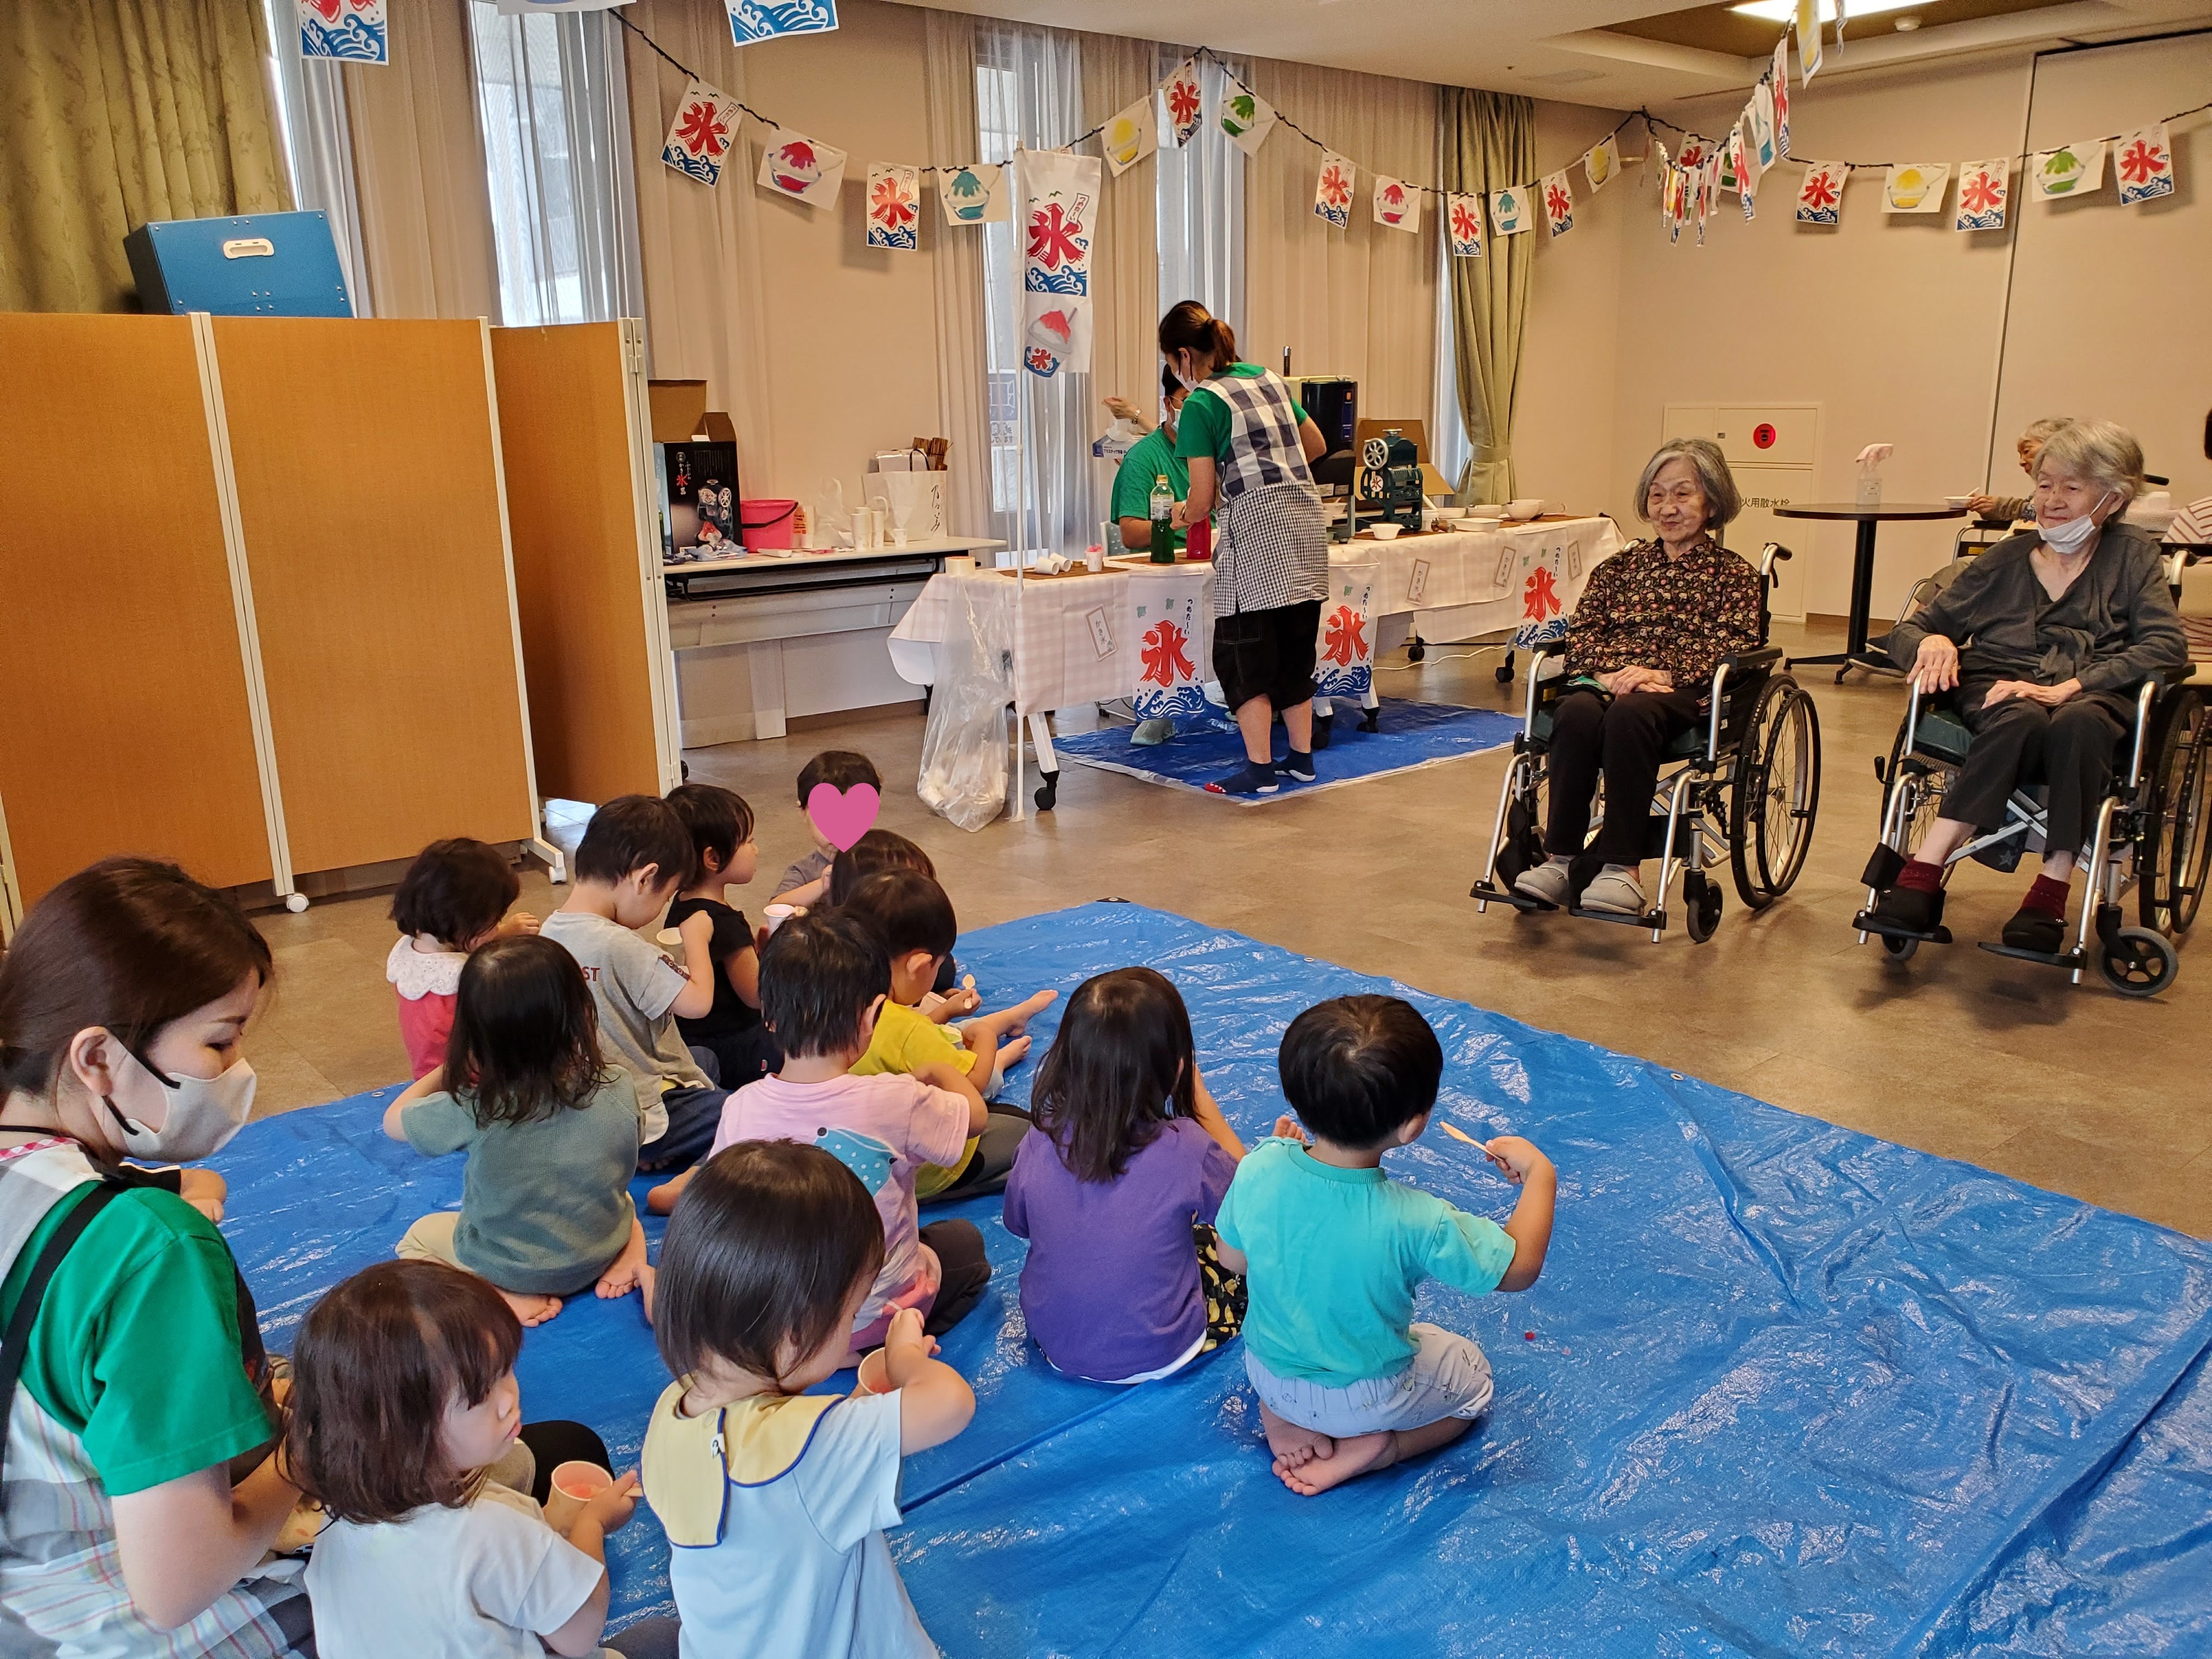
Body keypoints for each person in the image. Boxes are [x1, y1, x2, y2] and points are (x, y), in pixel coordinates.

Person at [0, 856, 309, 1652]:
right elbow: (178, 1585)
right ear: (96, 1057)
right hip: (106, 1614)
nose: (237, 1074)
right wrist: (312, 1455)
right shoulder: (148, 1247)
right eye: (220, 1042)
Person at [1214, 995, 1556, 1497]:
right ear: (1414, 1125)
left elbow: (1232, 1260)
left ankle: (1284, 1420)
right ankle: (1382, 1449)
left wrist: (1272, 1164)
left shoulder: (1259, 1165)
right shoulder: (1419, 1219)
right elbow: (1520, 1266)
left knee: (1298, 1360)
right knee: (1473, 1377)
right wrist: (1540, 1177)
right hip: (1367, 1400)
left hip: (1269, 1372)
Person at [642, 1141, 973, 1659]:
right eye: (853, 1311)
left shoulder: (672, 1409)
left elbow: (795, 1487)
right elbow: (952, 1403)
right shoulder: (811, 1450)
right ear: (796, 1334)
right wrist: (908, 1358)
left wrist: (866, 1398)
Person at [1865, 420, 2188, 951]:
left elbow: (2165, 646)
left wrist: (2072, 687)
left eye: (2071, 486)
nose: (2052, 501)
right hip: (1996, 686)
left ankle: (2049, 893)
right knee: (2016, 711)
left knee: (2080, 723)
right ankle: (1923, 874)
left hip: (2090, 693)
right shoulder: (2004, 561)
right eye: (2044, 485)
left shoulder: (2132, 557)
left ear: (2113, 498)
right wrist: (1933, 644)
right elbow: (1912, 629)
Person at [646, 913, 991, 1359]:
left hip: (782, 1323)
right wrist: (939, 1071)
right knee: (966, 1244)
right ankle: (888, 1342)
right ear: (872, 1017)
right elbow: (977, 1118)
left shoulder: (740, 1107)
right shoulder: (897, 1098)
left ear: (768, 1015)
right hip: (876, 1316)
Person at [290, 1260, 674, 1659]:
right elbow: (579, 1637)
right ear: (409, 1433)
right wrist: (593, 1523)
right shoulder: (495, 1531)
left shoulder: (334, 1525)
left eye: (505, 1370)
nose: (509, 1400)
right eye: (479, 1396)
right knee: (663, 1639)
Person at [1512, 437, 1763, 916]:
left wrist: (1660, 672)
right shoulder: (1617, 569)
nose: (1668, 508)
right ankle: (1561, 859)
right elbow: (1582, 631)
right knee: (1576, 712)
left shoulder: (1734, 576)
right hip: (1607, 682)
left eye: (1683, 494)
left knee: (1632, 714)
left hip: (1680, 690)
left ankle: (1622, 869)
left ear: (1712, 502)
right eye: (1657, 494)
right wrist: (1608, 675)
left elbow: (1734, 643)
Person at [384, 935, 650, 1327]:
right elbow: (631, 1145)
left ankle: (497, 1293)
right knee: (619, 1192)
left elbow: (393, 1121)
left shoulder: (478, 1108)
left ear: (474, 1032)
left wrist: (445, 1071)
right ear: (579, 1013)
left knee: (418, 1237)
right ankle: (631, 1248)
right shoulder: (618, 1085)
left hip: (511, 1269)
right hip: (598, 1250)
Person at [1002, 968, 1250, 1385]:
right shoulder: (1187, 1146)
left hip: (1053, 1342)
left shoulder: (1040, 1133)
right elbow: (1252, 1207)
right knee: (1237, 1255)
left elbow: (1018, 1224)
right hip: (1163, 1352)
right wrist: (1203, 1104)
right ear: (1175, 1071)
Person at [1159, 300, 1333, 797]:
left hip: (1255, 536)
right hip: (1303, 527)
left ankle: (1259, 771)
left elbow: (1202, 496)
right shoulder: (1270, 380)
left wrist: (1181, 514)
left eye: (1173, 361)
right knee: (1297, 648)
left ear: (1185, 357)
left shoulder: (1200, 405)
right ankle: (1301, 761)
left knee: (1243, 654)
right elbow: (1317, 445)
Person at [839, 869, 1052, 1201]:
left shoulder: (838, 1000)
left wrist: (946, 1014)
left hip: (852, 1153)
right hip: (917, 1167)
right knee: (1034, 1135)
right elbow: (974, 1085)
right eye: (939, 965)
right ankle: (948, 1188)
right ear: (919, 965)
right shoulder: (906, 1026)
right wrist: (985, 1037)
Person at [541, 795, 727, 1171]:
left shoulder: (549, 934)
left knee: (704, 1060)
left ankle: (651, 1154)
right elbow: (698, 1002)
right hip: (634, 1116)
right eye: (667, 895)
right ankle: (678, 1173)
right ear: (644, 878)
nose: (661, 909)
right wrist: (697, 941)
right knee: (740, 1111)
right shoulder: (621, 944)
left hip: (580, 1109)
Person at [386, 837, 538, 1080]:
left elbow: (465, 950)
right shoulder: (467, 978)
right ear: (466, 919)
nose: (498, 927)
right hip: (469, 1088)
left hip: (425, 1082)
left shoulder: (408, 952)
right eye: (494, 920)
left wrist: (505, 933)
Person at [665, 782, 781, 1090]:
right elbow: (758, 996)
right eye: (749, 841)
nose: (756, 849)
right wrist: (776, 959)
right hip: (733, 1047)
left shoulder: (682, 905)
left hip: (694, 1038)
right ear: (713, 858)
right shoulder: (725, 923)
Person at [774, 751, 883, 906]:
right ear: (803, 811)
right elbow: (777, 907)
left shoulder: (885, 859)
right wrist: (821, 885)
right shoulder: (804, 872)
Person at [1112, 365, 1190, 555]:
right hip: (1168, 564)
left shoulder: (1218, 451)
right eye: (1188, 400)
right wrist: (1174, 520)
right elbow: (1131, 535)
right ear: (1168, 404)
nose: (1197, 410)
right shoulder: (1142, 459)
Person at [1967, 416, 2070, 523]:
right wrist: (1991, 508)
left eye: (2027, 451)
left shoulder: (2073, 484)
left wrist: (2005, 507)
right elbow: (2030, 511)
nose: (2021, 462)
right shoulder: (2046, 486)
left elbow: (2052, 513)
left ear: (2057, 446)